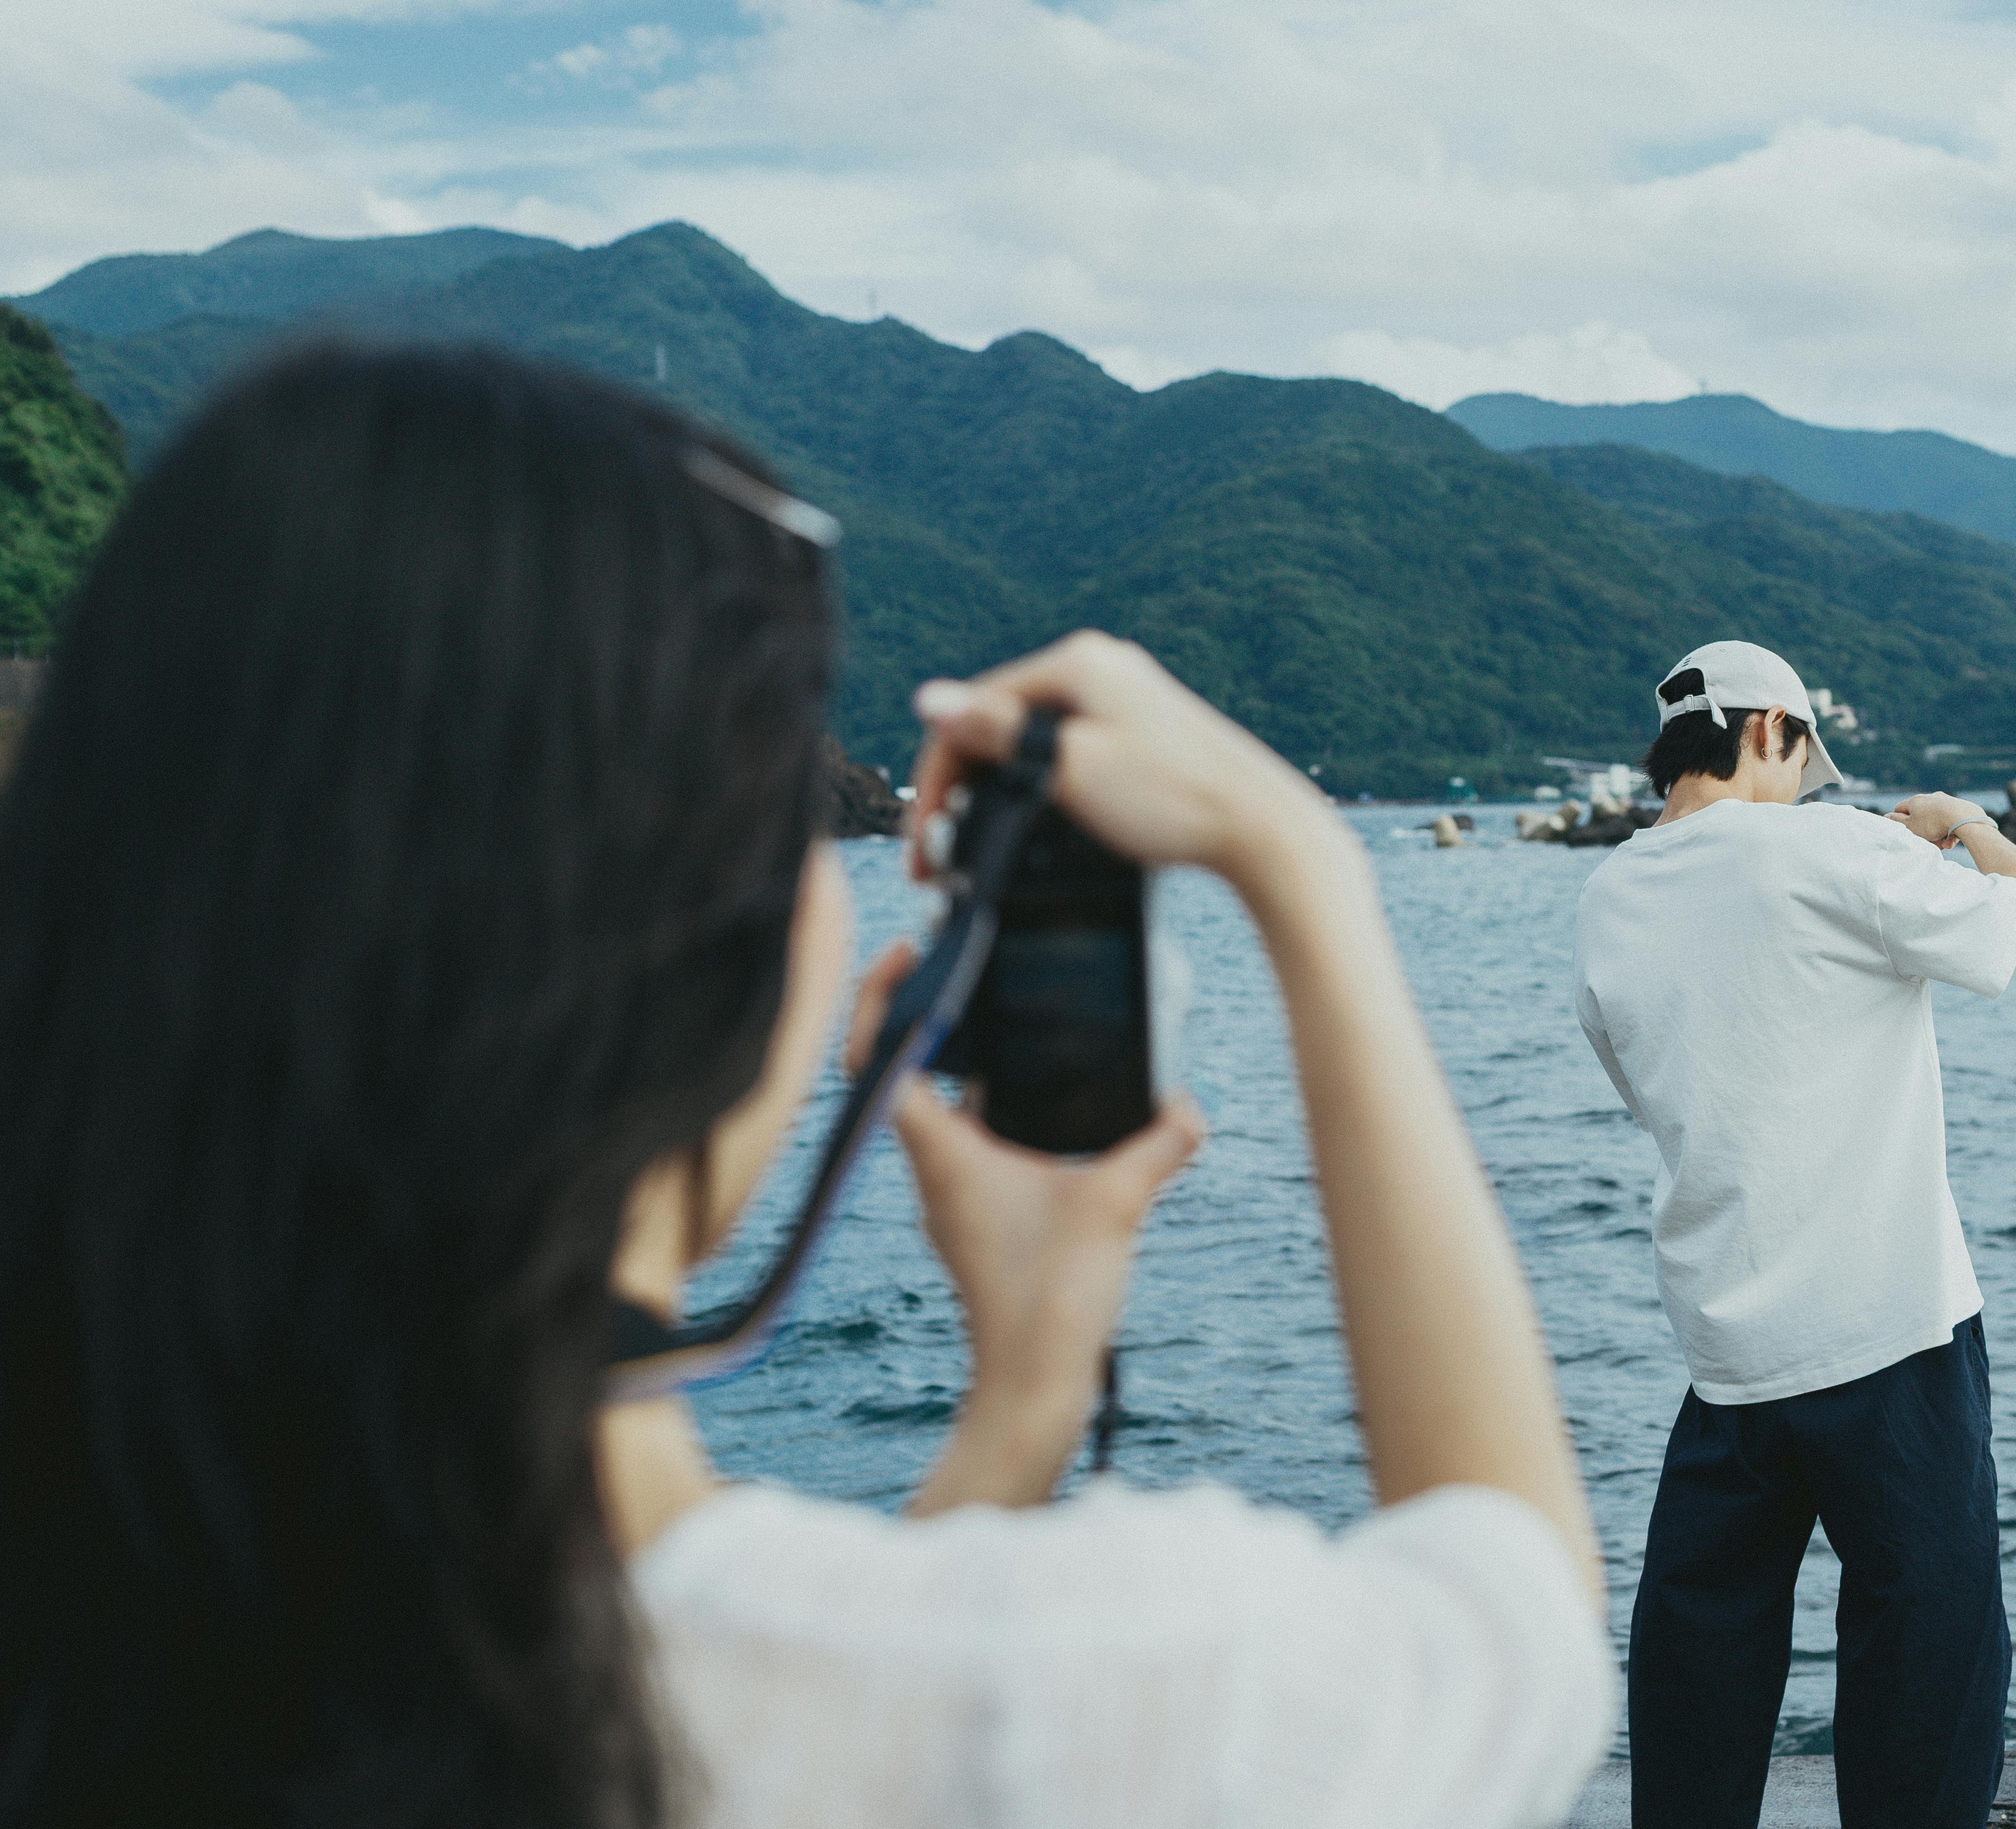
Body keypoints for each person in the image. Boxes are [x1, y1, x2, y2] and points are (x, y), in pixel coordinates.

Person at [0, 344, 1612, 1829]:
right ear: (697, 968)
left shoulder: (107, 1613)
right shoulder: (1082, 1687)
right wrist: (1307, 870)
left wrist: (1017, 1413)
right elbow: (1516, 1621)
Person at [1571, 641, 2016, 1829]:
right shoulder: (1833, 845)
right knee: (1924, 1629)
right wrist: (1963, 828)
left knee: (1702, 1640)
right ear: (1766, 731)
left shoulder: (1609, 894)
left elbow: (1658, 1083)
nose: (1806, 782)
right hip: (1883, 1320)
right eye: (1802, 759)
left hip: (1726, 1339)